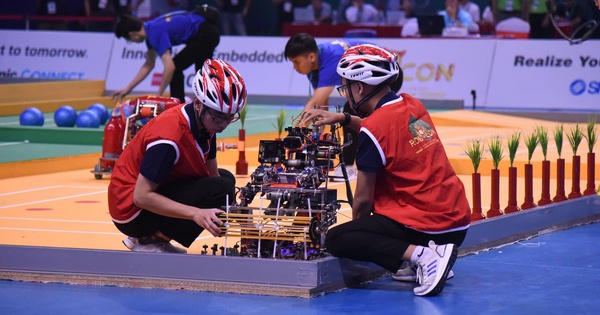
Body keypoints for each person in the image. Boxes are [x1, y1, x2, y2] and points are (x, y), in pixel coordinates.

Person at [300, 44, 470, 296]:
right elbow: (383, 127)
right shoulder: (413, 105)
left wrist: (358, 237)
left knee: (337, 238)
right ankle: (426, 259)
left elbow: (363, 199)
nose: (345, 94)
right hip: (456, 225)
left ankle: (423, 256)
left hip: (426, 227)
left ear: (360, 87)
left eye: (345, 87)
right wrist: (345, 119)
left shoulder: (373, 129)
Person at [108, 58, 247, 253]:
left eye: (230, 117)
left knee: (226, 181)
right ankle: (149, 241)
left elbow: (212, 176)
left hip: (153, 193)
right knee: (222, 188)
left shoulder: (207, 124)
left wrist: (237, 212)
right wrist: (196, 214)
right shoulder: (168, 140)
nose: (223, 124)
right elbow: (141, 196)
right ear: (198, 104)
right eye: (218, 117)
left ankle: (153, 236)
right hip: (130, 211)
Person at [284, 33, 403, 181]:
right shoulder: (314, 66)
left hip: (386, 73)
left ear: (311, 58)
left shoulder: (331, 58)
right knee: (355, 104)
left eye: (296, 62)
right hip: (368, 78)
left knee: (351, 109)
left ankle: (347, 167)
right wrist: (315, 138)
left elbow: (315, 102)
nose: (295, 68)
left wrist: (297, 131)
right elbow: (320, 106)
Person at [111, 5, 220, 103]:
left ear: (133, 34)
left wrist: (158, 95)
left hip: (206, 34)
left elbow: (170, 67)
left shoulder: (154, 33)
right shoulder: (149, 29)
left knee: (178, 68)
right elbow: (149, 64)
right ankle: (207, 104)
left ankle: (178, 106)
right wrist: (128, 89)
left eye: (128, 40)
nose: (131, 42)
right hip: (205, 33)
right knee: (202, 73)